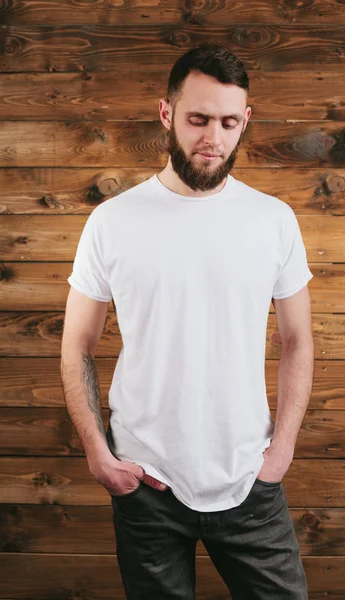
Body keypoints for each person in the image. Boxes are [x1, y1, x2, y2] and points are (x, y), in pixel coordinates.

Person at [61, 42, 313, 600]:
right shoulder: (112, 221)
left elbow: (297, 340)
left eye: (228, 122)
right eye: (198, 119)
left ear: (244, 121)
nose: (212, 138)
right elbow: (78, 343)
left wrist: (283, 450)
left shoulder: (273, 220)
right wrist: (98, 453)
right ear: (167, 114)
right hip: (146, 481)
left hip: (250, 479)